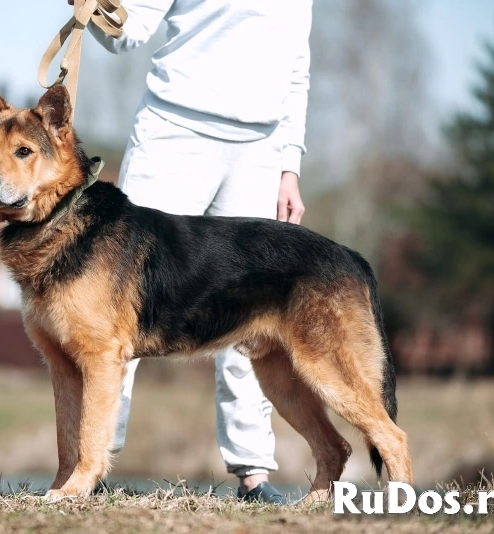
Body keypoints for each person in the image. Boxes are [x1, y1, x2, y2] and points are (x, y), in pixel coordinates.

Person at [75, 0, 312, 503]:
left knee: (253, 317)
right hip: (174, 132)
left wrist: (289, 163)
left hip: (261, 149)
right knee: (119, 308)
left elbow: (296, 67)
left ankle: (253, 474)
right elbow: (128, 28)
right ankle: (89, 469)